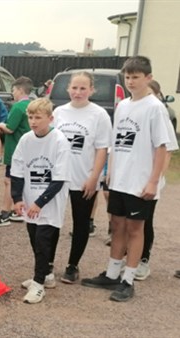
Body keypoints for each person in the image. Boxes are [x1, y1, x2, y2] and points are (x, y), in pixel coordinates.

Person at [81, 56, 170, 302]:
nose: (131, 81)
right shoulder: (123, 106)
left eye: (136, 77)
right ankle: (112, 273)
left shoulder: (154, 107)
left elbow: (163, 147)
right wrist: (110, 171)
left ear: (148, 78)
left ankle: (128, 278)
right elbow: (116, 142)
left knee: (135, 228)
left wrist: (153, 181)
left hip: (140, 181)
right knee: (117, 225)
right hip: (120, 178)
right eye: (128, 77)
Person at [52, 71, 112, 284]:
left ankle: (72, 265)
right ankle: (47, 264)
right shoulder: (58, 112)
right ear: (68, 88)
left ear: (91, 90)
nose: (78, 92)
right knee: (52, 222)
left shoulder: (99, 115)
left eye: (83, 88)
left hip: (83, 178)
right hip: (58, 178)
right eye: (74, 88)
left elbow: (102, 149)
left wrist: (94, 177)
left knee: (81, 222)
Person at [11, 98, 71, 304]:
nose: (33, 121)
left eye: (38, 117)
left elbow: (60, 179)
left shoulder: (60, 141)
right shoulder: (26, 140)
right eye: (30, 117)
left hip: (50, 200)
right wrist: (17, 198)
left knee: (43, 240)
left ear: (50, 118)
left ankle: (38, 284)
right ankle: (46, 274)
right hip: (30, 199)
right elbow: (17, 170)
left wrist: (40, 202)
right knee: (34, 236)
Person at [133, 80, 178, 281]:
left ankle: (143, 259)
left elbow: (167, 150)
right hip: (133, 177)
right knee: (129, 221)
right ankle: (130, 256)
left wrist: (157, 178)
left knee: (145, 220)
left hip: (150, 179)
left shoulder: (161, 115)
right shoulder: (132, 110)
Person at [0, 76, 32, 226]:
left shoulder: (17, 107)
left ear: (20, 90)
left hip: (15, 149)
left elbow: (10, 128)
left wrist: (0, 125)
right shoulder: (32, 105)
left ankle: (5, 213)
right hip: (28, 149)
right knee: (22, 180)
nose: (13, 93)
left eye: (14, 90)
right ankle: (19, 210)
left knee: (9, 180)